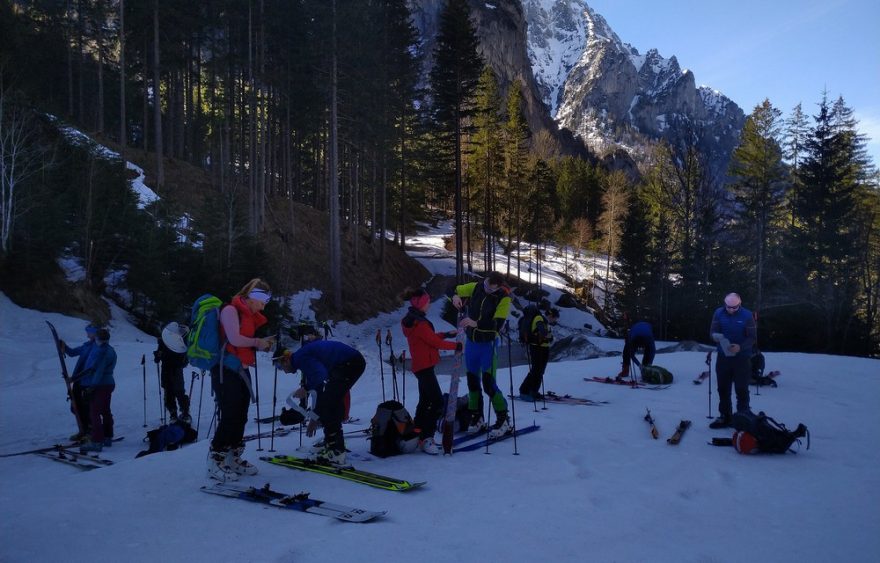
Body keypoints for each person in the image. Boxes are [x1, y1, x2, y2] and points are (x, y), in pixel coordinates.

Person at [207, 279, 274, 482]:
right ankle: (215, 459)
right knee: (229, 414)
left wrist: (261, 344)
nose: (263, 307)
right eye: (262, 302)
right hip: (225, 370)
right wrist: (257, 342)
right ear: (253, 297)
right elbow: (234, 339)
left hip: (241, 370)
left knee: (241, 415)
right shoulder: (230, 310)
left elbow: (240, 343)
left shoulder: (247, 315)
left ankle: (232, 457)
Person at [274, 338, 366, 467]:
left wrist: (305, 388)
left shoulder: (302, 358)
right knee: (330, 401)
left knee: (330, 404)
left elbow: (321, 376)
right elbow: (318, 392)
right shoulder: (302, 360)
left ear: (286, 359)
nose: (283, 370)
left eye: (279, 366)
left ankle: (336, 452)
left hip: (350, 363)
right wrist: (314, 417)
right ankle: (333, 446)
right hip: (348, 363)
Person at [451, 272, 512, 438]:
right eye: (486, 286)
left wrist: (474, 322)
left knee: (488, 383)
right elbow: (456, 289)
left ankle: (503, 418)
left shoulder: (504, 298)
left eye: (492, 289)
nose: (487, 290)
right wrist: (456, 297)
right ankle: (477, 417)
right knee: (472, 381)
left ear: (498, 287)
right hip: (472, 342)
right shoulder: (476, 287)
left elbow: (497, 324)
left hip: (489, 344)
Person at [400, 287, 461, 455]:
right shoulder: (418, 323)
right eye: (427, 302)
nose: (429, 305)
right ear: (420, 304)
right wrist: (457, 346)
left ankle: (418, 432)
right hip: (424, 367)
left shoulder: (414, 320)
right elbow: (434, 343)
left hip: (422, 366)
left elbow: (429, 338)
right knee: (437, 403)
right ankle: (427, 437)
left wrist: (445, 334)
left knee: (425, 401)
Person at [708, 293, 756, 429]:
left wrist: (740, 347)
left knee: (741, 388)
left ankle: (743, 416)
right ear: (725, 304)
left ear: (739, 305)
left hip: (742, 357)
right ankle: (725, 416)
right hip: (724, 356)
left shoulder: (747, 315)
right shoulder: (718, 313)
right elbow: (712, 331)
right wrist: (715, 337)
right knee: (723, 388)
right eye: (729, 307)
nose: (731, 310)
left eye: (735, 308)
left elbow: (752, 338)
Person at [73, 328, 117, 453]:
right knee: (105, 411)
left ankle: (97, 442)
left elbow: (99, 371)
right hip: (109, 383)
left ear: (98, 339)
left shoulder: (103, 352)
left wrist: (92, 387)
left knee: (94, 412)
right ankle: (108, 436)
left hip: (101, 385)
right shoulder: (110, 350)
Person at [59, 323, 99, 441]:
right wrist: (64, 347)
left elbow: (91, 368)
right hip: (78, 381)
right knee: (76, 406)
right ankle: (83, 430)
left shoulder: (98, 348)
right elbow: (72, 353)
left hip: (88, 382)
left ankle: (91, 432)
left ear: (94, 332)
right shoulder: (86, 346)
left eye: (89, 331)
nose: (87, 333)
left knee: (87, 408)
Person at [518, 307, 560, 401]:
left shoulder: (543, 320)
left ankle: (533, 391)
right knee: (536, 370)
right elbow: (543, 332)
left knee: (539, 371)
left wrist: (548, 337)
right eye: (555, 318)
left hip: (542, 347)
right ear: (550, 315)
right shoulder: (539, 318)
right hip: (537, 348)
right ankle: (524, 390)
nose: (555, 320)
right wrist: (549, 337)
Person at [155, 322, 191, 423]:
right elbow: (158, 356)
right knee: (169, 393)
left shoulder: (179, 340)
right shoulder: (162, 341)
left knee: (179, 392)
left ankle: (185, 413)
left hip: (176, 369)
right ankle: (173, 414)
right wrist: (158, 355)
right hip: (166, 369)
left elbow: (183, 356)